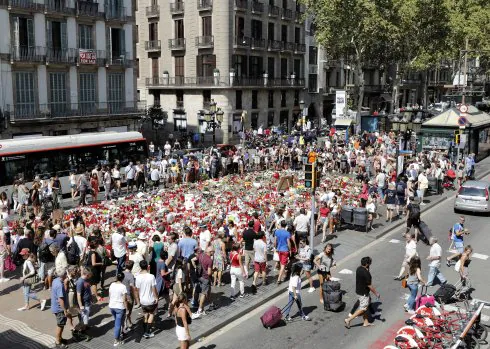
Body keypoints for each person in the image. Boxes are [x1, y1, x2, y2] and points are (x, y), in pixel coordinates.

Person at [344, 257, 380, 329]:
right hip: (363, 293)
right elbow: (369, 285)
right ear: (367, 264)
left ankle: (365, 322)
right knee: (363, 308)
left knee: (366, 306)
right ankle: (348, 320)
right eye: (370, 263)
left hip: (359, 291)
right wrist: (376, 293)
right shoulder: (366, 274)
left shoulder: (359, 268)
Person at [135, 260, 158, 338]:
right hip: (151, 300)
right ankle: (147, 332)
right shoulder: (151, 276)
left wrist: (138, 300)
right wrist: (156, 298)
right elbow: (154, 289)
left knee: (145, 315)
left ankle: (145, 330)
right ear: (148, 267)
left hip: (143, 301)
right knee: (151, 314)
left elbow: (137, 290)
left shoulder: (137, 277)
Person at [109, 272, 129, 347]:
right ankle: (116, 340)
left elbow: (110, 295)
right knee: (118, 324)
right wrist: (127, 309)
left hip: (112, 306)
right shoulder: (123, 287)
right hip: (120, 307)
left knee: (117, 322)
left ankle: (121, 333)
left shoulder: (112, 284)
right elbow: (125, 300)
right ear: (123, 279)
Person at [193, 246, 214, 318]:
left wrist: (195, 267)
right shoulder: (209, 260)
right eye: (213, 251)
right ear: (210, 252)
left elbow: (193, 260)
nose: (213, 253)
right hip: (205, 278)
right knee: (203, 294)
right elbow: (209, 273)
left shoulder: (201, 255)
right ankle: (200, 309)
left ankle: (211, 304)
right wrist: (213, 270)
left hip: (199, 276)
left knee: (199, 290)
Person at [51, 267, 69, 348]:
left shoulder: (56, 280)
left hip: (56, 307)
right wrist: (64, 310)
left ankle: (60, 338)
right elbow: (60, 299)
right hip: (59, 308)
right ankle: (58, 341)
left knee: (61, 324)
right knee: (60, 324)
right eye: (66, 273)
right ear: (64, 275)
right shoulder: (59, 285)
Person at [75, 267, 93, 336]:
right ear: (87, 274)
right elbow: (78, 295)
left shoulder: (86, 280)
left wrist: (91, 298)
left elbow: (88, 290)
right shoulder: (80, 282)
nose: (91, 276)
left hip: (87, 302)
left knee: (86, 318)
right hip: (84, 303)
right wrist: (80, 305)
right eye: (90, 275)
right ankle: (78, 332)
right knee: (84, 319)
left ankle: (83, 329)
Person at [274, 220, 292, 284]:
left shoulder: (277, 231)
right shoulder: (287, 233)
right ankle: (279, 279)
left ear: (280, 225)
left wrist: (275, 247)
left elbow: (275, 241)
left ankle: (284, 275)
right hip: (285, 250)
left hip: (279, 250)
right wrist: (290, 250)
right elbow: (288, 242)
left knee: (282, 263)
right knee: (283, 265)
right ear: (286, 225)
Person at [122, 260, 136, 331]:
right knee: (128, 312)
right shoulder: (131, 276)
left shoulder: (121, 273)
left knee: (125, 311)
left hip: (121, 295)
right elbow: (132, 287)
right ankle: (125, 326)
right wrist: (136, 298)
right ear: (132, 267)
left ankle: (129, 323)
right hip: (128, 296)